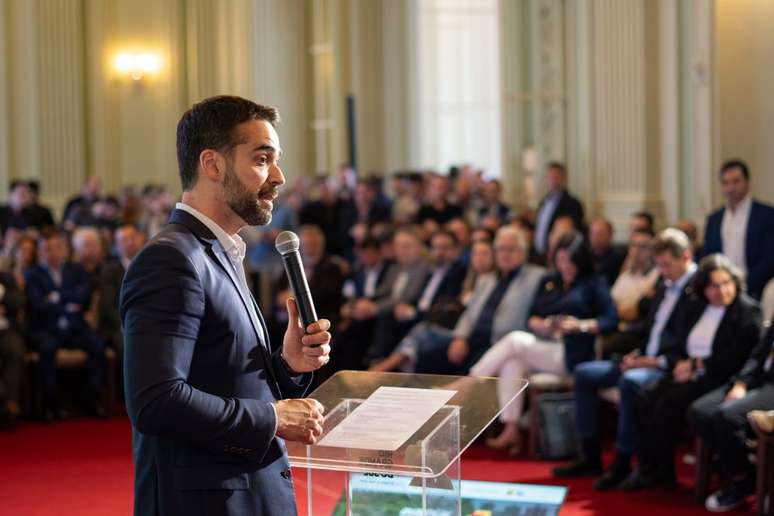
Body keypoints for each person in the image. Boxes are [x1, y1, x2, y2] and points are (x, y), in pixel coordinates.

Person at [120, 96, 331, 516]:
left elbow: (224, 378)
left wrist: (287, 365)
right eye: (262, 159)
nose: (278, 177)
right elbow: (155, 400)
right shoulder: (171, 258)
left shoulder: (217, 251)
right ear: (213, 165)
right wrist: (273, 418)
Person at [553, 228, 698, 490]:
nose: (663, 271)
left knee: (630, 382)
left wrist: (651, 361)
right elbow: (650, 330)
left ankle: (622, 462)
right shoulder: (666, 286)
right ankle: (589, 456)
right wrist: (637, 353)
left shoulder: (697, 291)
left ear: (686, 257)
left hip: (670, 367)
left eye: (667, 265)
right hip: (645, 359)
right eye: (660, 265)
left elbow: (694, 343)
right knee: (585, 373)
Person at [622, 254, 761, 491]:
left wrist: (696, 366)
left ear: (735, 282)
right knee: (645, 398)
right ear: (703, 288)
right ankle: (657, 468)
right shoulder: (699, 307)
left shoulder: (747, 310)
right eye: (714, 286)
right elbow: (681, 341)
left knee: (669, 403)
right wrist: (681, 363)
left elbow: (737, 357)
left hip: (719, 375)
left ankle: (652, 471)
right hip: (689, 368)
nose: (721, 291)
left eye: (726, 284)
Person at [471, 231, 617, 454]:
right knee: (513, 362)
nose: (565, 266)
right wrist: (544, 324)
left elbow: (610, 320)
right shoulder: (550, 281)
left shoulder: (593, 283)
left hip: (573, 352)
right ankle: (511, 429)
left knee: (514, 340)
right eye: (560, 260)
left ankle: (473, 380)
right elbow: (532, 317)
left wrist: (580, 326)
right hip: (546, 344)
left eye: (571, 261)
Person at [370, 226, 543, 375]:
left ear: (523, 251)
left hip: (499, 342)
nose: (504, 254)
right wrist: (460, 338)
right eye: (500, 249)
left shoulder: (536, 278)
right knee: (426, 354)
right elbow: (468, 315)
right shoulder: (487, 280)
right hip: (472, 340)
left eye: (510, 249)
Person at [689, 320, 773, 511]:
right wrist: (741, 383)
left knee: (727, 416)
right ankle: (747, 472)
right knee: (700, 412)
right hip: (758, 378)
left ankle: (740, 480)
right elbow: (758, 355)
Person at [26, 231, 106, 421]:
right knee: (47, 347)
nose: (53, 253)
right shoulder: (33, 274)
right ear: (39, 252)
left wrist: (55, 298)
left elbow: (83, 296)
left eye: (57, 248)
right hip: (45, 328)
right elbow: (37, 304)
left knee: (98, 345)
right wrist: (68, 304)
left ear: (65, 250)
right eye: (47, 249)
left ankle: (91, 399)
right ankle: (51, 404)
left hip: (75, 327)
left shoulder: (76, 270)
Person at [703, 159, 774, 299]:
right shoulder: (714, 219)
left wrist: (743, 285)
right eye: (726, 183)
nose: (731, 188)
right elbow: (709, 256)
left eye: (736, 181)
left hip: (755, 291)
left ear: (747, 182)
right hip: (720, 293)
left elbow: (769, 258)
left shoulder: (767, 215)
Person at [600, 227, 659, 357]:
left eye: (643, 247)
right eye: (634, 246)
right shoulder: (625, 276)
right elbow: (608, 307)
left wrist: (620, 311)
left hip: (637, 334)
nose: (637, 251)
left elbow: (636, 313)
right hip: (616, 329)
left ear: (653, 251)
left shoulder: (657, 277)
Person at [533, 162, 584, 257]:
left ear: (564, 179)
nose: (552, 181)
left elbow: (570, 233)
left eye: (555, 177)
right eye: (549, 177)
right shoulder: (544, 201)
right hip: (538, 254)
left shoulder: (573, 203)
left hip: (559, 256)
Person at [589, 217, 627, 286]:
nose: (596, 237)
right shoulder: (585, 256)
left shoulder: (619, 258)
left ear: (611, 235)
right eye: (593, 233)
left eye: (600, 233)